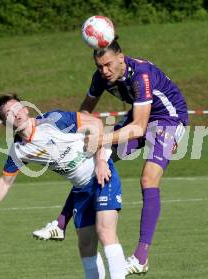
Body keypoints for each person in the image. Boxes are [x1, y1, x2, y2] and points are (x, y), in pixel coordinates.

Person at [32, 38, 189, 276]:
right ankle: (60, 224)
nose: (104, 71)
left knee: (148, 179)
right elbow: (84, 112)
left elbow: (137, 128)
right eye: (99, 66)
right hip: (139, 117)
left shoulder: (141, 76)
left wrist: (101, 139)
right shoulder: (101, 78)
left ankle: (140, 258)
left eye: (108, 65)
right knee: (92, 160)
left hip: (168, 119)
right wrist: (75, 137)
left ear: (120, 57)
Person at [0, 93, 126, 279]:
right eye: (9, 114)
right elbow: (5, 181)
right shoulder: (19, 150)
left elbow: (96, 124)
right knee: (85, 244)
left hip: (102, 175)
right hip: (80, 190)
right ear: (5, 124)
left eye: (17, 108)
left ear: (26, 108)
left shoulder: (54, 120)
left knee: (105, 232)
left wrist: (101, 161)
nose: (16, 115)